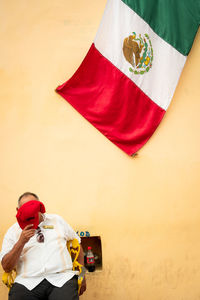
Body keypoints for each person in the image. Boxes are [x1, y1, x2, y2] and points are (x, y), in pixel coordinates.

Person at [0, 192, 86, 300]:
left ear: (40, 207)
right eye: (25, 209)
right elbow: (6, 266)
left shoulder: (57, 221)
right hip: (27, 282)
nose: (30, 213)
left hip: (62, 279)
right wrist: (21, 242)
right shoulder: (13, 231)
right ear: (18, 211)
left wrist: (82, 275)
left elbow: (78, 246)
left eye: (32, 207)